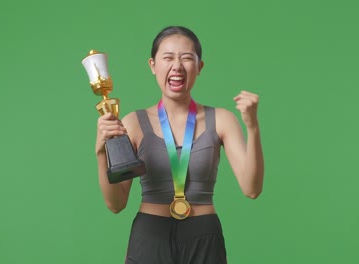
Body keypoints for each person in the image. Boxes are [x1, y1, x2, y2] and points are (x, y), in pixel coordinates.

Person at [95, 26, 264, 264]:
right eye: (168, 58)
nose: (177, 66)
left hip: (204, 236)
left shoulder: (223, 119)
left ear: (199, 66)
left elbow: (251, 189)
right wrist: (101, 154)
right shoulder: (132, 122)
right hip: (150, 236)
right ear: (153, 65)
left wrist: (253, 127)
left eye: (186, 58)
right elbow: (116, 204)